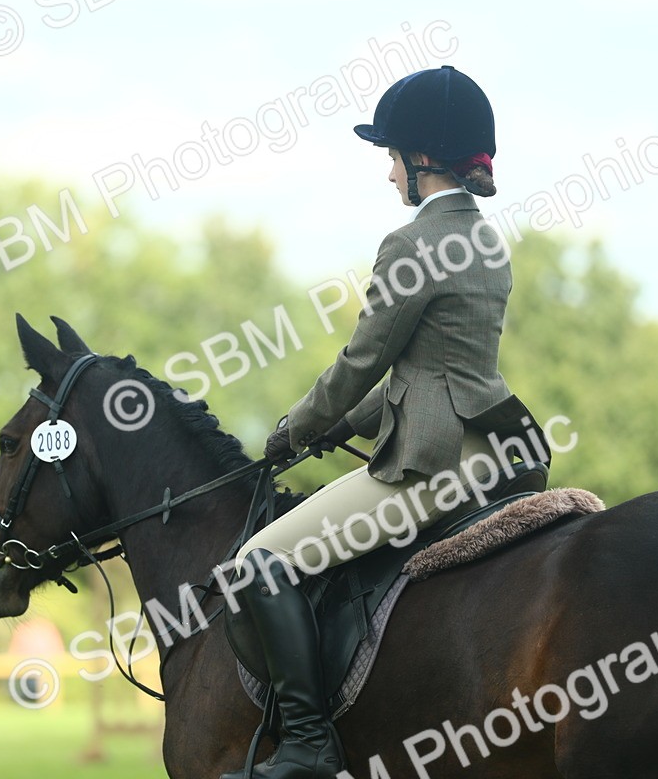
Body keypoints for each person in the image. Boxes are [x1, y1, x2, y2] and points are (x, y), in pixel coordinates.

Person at [220, 66, 547, 779]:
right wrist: (346, 427)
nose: (389, 173)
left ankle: (307, 745)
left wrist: (295, 430)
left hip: (432, 465)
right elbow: (436, 370)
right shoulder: (487, 240)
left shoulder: (411, 243)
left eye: (393, 157)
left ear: (422, 158)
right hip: (496, 452)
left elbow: (363, 361)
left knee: (260, 563)